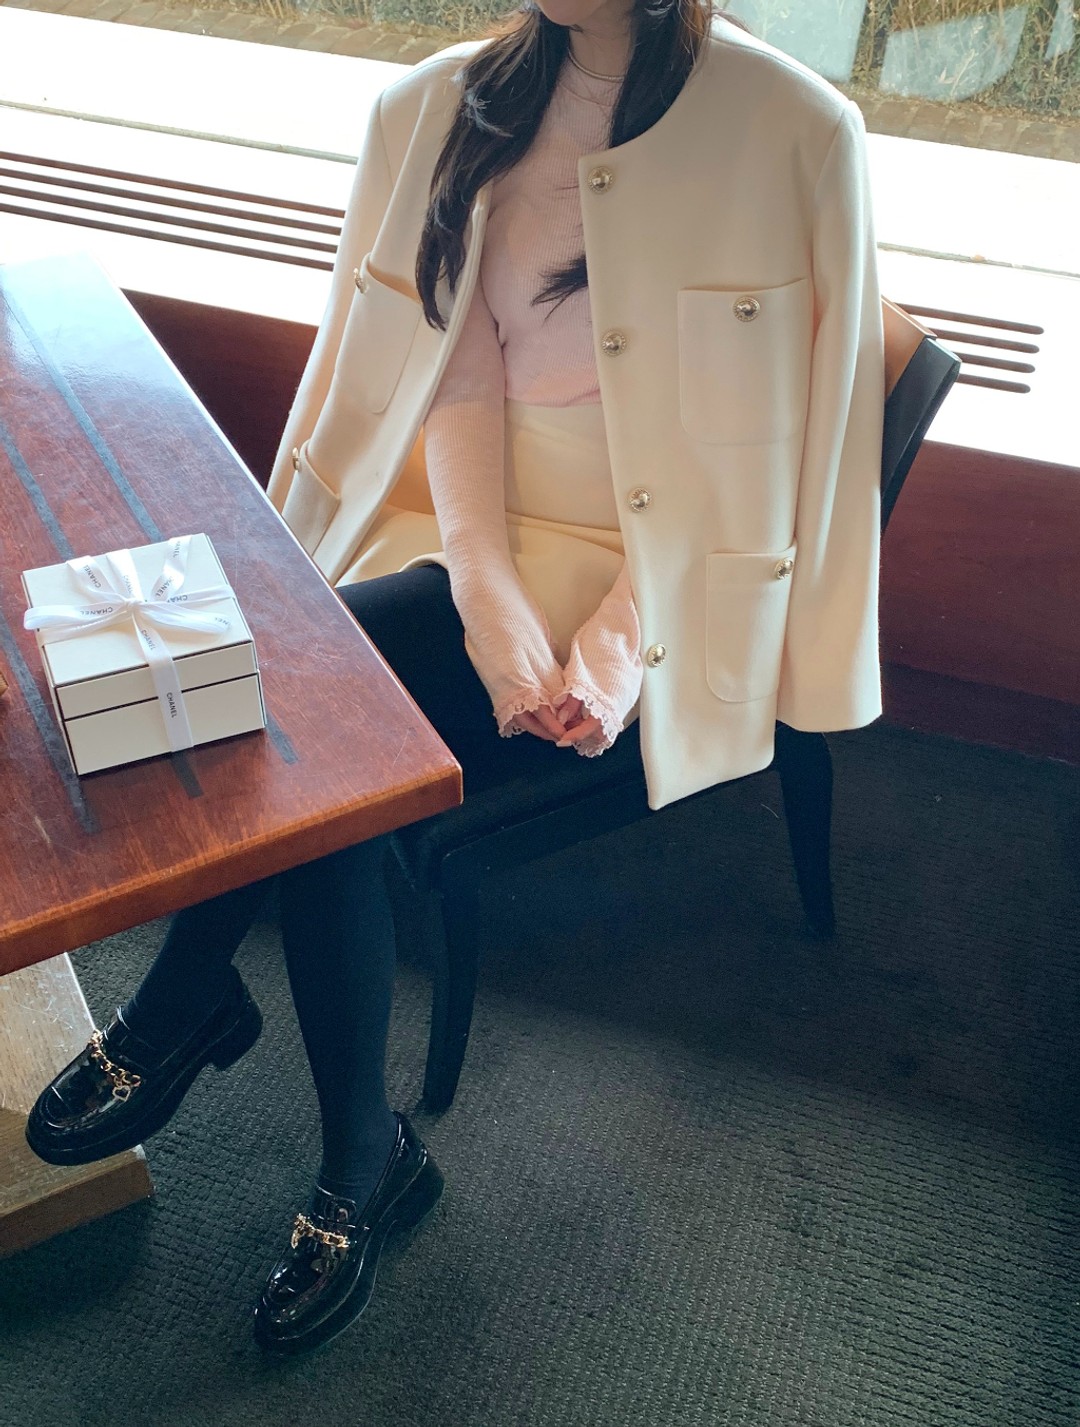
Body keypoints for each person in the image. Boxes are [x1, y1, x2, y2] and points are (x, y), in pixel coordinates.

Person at [25, 0, 884, 1356]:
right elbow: (453, 377)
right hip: (450, 525)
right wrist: (484, 591)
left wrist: (617, 646)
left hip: (659, 569)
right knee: (325, 745)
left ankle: (199, 1017)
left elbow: (775, 455)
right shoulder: (440, 105)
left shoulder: (794, 133)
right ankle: (354, 1152)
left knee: (320, 751)